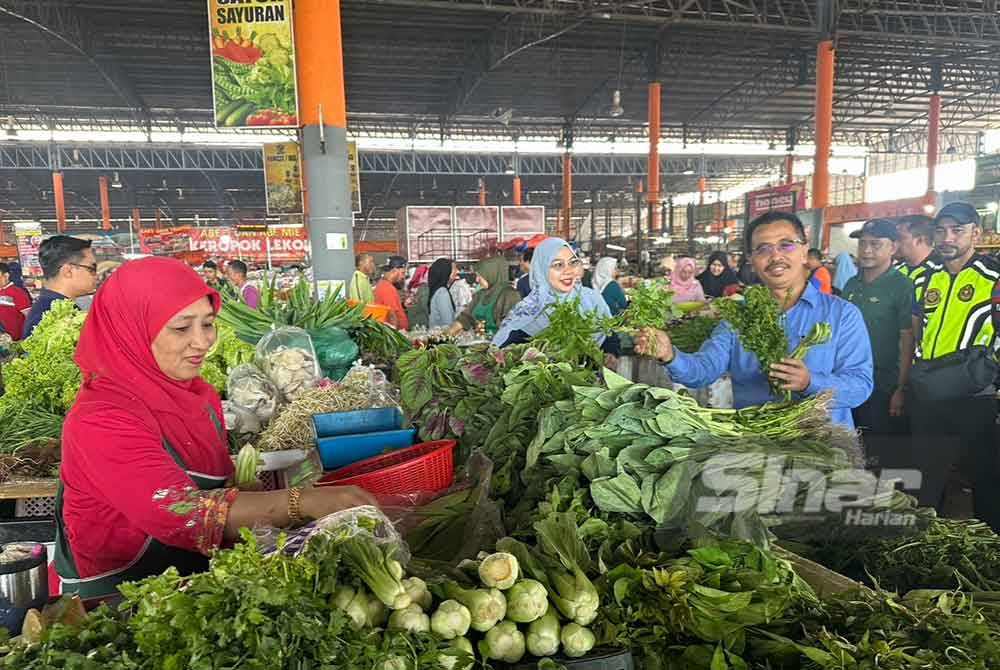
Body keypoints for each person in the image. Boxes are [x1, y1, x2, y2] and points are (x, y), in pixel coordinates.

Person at [54, 257, 377, 598]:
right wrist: (302, 501)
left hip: (194, 582)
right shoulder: (101, 419)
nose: (203, 341)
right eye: (181, 328)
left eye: (207, 323)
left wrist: (252, 493)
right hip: (121, 601)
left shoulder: (198, 396)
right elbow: (180, 512)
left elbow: (220, 484)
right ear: (130, 330)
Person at [635, 211, 873, 429]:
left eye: (786, 245)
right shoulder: (738, 317)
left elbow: (860, 386)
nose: (776, 256)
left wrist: (810, 382)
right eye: (763, 249)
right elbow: (703, 370)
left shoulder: (842, 314)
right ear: (752, 259)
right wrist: (670, 354)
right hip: (758, 445)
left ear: (804, 251)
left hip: (824, 446)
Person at [910, 201, 1000, 526]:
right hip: (928, 393)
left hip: (973, 395)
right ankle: (926, 542)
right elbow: (916, 330)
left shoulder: (993, 277)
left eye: (957, 230)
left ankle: (992, 549)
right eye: (941, 230)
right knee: (925, 476)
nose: (947, 237)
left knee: (984, 476)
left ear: (975, 232)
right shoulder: (922, 278)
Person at [492, 238, 618, 364]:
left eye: (572, 262)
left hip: (591, 380)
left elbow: (610, 336)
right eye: (558, 265)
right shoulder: (528, 310)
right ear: (542, 270)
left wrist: (610, 354)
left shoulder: (591, 298)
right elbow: (503, 352)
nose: (568, 271)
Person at [842, 219, 914, 434]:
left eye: (875, 244)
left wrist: (901, 389)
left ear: (893, 247)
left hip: (883, 382)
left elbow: (907, 339)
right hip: (848, 377)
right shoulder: (851, 284)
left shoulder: (902, 286)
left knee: (878, 444)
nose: (866, 250)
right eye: (862, 243)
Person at [22, 236, 98, 339]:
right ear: (68, 271)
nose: (96, 275)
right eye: (92, 268)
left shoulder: (51, 308)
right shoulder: (53, 317)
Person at [447, 257, 522, 337]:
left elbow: (511, 328)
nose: (477, 279)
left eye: (480, 276)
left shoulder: (510, 295)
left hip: (499, 345)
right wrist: (447, 334)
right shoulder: (479, 294)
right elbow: (465, 318)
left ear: (491, 274)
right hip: (479, 344)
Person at [895, 214, 942, 303]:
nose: (895, 243)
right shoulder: (895, 269)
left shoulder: (940, 271)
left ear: (919, 240)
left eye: (900, 238)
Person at [373, 256, 409, 330]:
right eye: (402, 272)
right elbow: (392, 315)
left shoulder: (383, 284)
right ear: (394, 270)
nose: (403, 276)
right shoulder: (387, 288)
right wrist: (395, 337)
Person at [0, 262, 31, 341]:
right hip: (3, 340)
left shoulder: (18, 293)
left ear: (6, 275)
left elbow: (29, 316)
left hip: (17, 341)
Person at [427, 258, 458, 329]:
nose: (456, 272)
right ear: (446, 272)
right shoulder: (442, 292)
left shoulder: (436, 289)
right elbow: (448, 322)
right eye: (454, 269)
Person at [405, 265, 430, 330]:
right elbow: (425, 306)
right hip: (422, 325)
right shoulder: (424, 287)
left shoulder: (412, 287)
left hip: (412, 322)